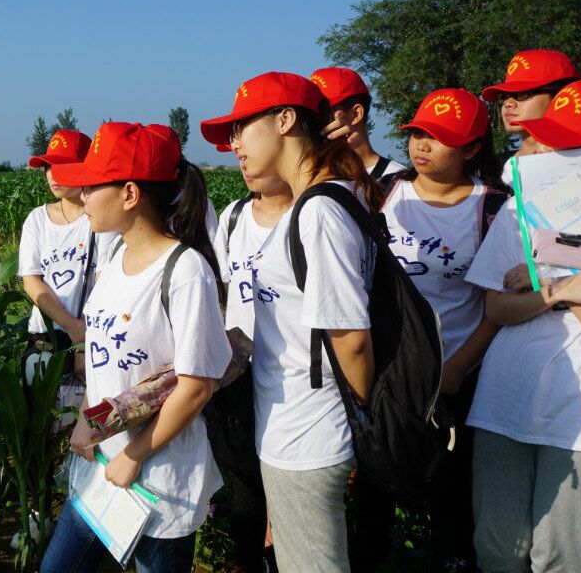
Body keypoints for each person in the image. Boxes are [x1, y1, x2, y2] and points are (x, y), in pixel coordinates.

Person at [202, 71, 381, 572]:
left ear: (285, 120)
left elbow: (352, 340)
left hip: (309, 430)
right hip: (290, 427)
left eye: (242, 128)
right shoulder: (331, 199)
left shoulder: (318, 211)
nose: (234, 144)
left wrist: (358, 427)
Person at [39, 122, 232, 573]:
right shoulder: (113, 259)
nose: (82, 195)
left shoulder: (185, 272)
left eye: (93, 185)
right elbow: (102, 358)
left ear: (129, 193)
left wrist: (133, 454)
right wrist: (87, 420)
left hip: (157, 484)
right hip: (101, 470)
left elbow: (196, 387)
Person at [465, 79, 581, 572]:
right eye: (551, 140)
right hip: (507, 398)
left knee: (561, 555)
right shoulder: (522, 208)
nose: (551, 152)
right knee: (498, 548)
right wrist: (562, 288)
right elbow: (497, 309)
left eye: (571, 144)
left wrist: (549, 270)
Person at [369, 88, 507, 572]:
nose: (422, 146)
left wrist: (457, 369)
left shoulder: (494, 209)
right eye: (417, 133)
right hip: (385, 374)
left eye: (439, 137)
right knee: (375, 493)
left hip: (454, 377)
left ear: (473, 148)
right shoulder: (381, 193)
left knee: (451, 497)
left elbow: (495, 307)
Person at [210, 134, 293, 573]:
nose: (242, 160)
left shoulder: (312, 216)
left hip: (295, 383)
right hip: (244, 374)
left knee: (289, 490)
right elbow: (224, 292)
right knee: (247, 480)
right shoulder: (234, 216)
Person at [19, 129, 96, 384]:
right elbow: (31, 281)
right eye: (49, 167)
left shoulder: (100, 219)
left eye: (62, 167)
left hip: (91, 334)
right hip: (46, 333)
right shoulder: (37, 219)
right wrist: (70, 325)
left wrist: (84, 336)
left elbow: (105, 281)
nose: (53, 175)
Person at [481, 49, 580, 175]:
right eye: (504, 96)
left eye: (522, 93)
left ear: (561, 96)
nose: (508, 103)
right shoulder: (492, 170)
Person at [309, 66, 406, 178]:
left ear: (356, 114)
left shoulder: (399, 180)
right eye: (309, 111)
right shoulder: (308, 176)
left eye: (322, 110)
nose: (315, 118)